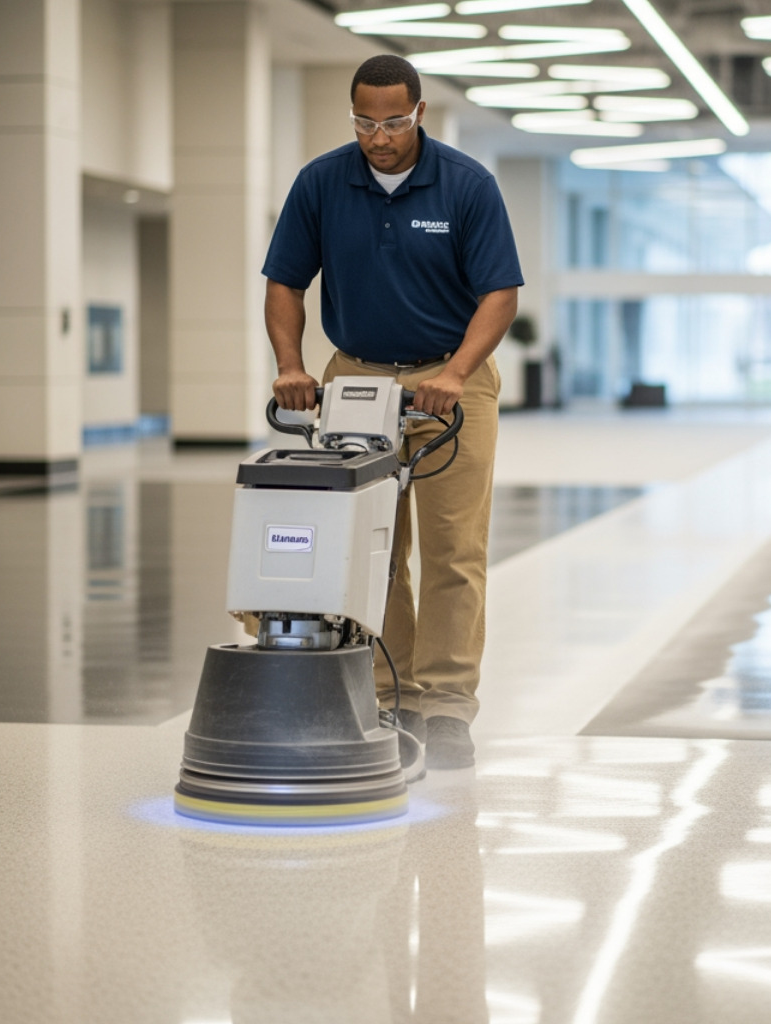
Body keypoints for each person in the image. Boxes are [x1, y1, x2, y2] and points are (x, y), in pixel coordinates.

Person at [262, 54, 522, 769]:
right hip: (355, 379)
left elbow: (500, 293)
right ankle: (387, 691)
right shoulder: (321, 182)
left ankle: (444, 706)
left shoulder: (466, 186)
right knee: (371, 548)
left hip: (449, 380)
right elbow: (285, 282)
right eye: (365, 122)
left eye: (394, 122)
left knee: (453, 550)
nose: (379, 137)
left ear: (419, 115)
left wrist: (457, 372)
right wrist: (291, 365)